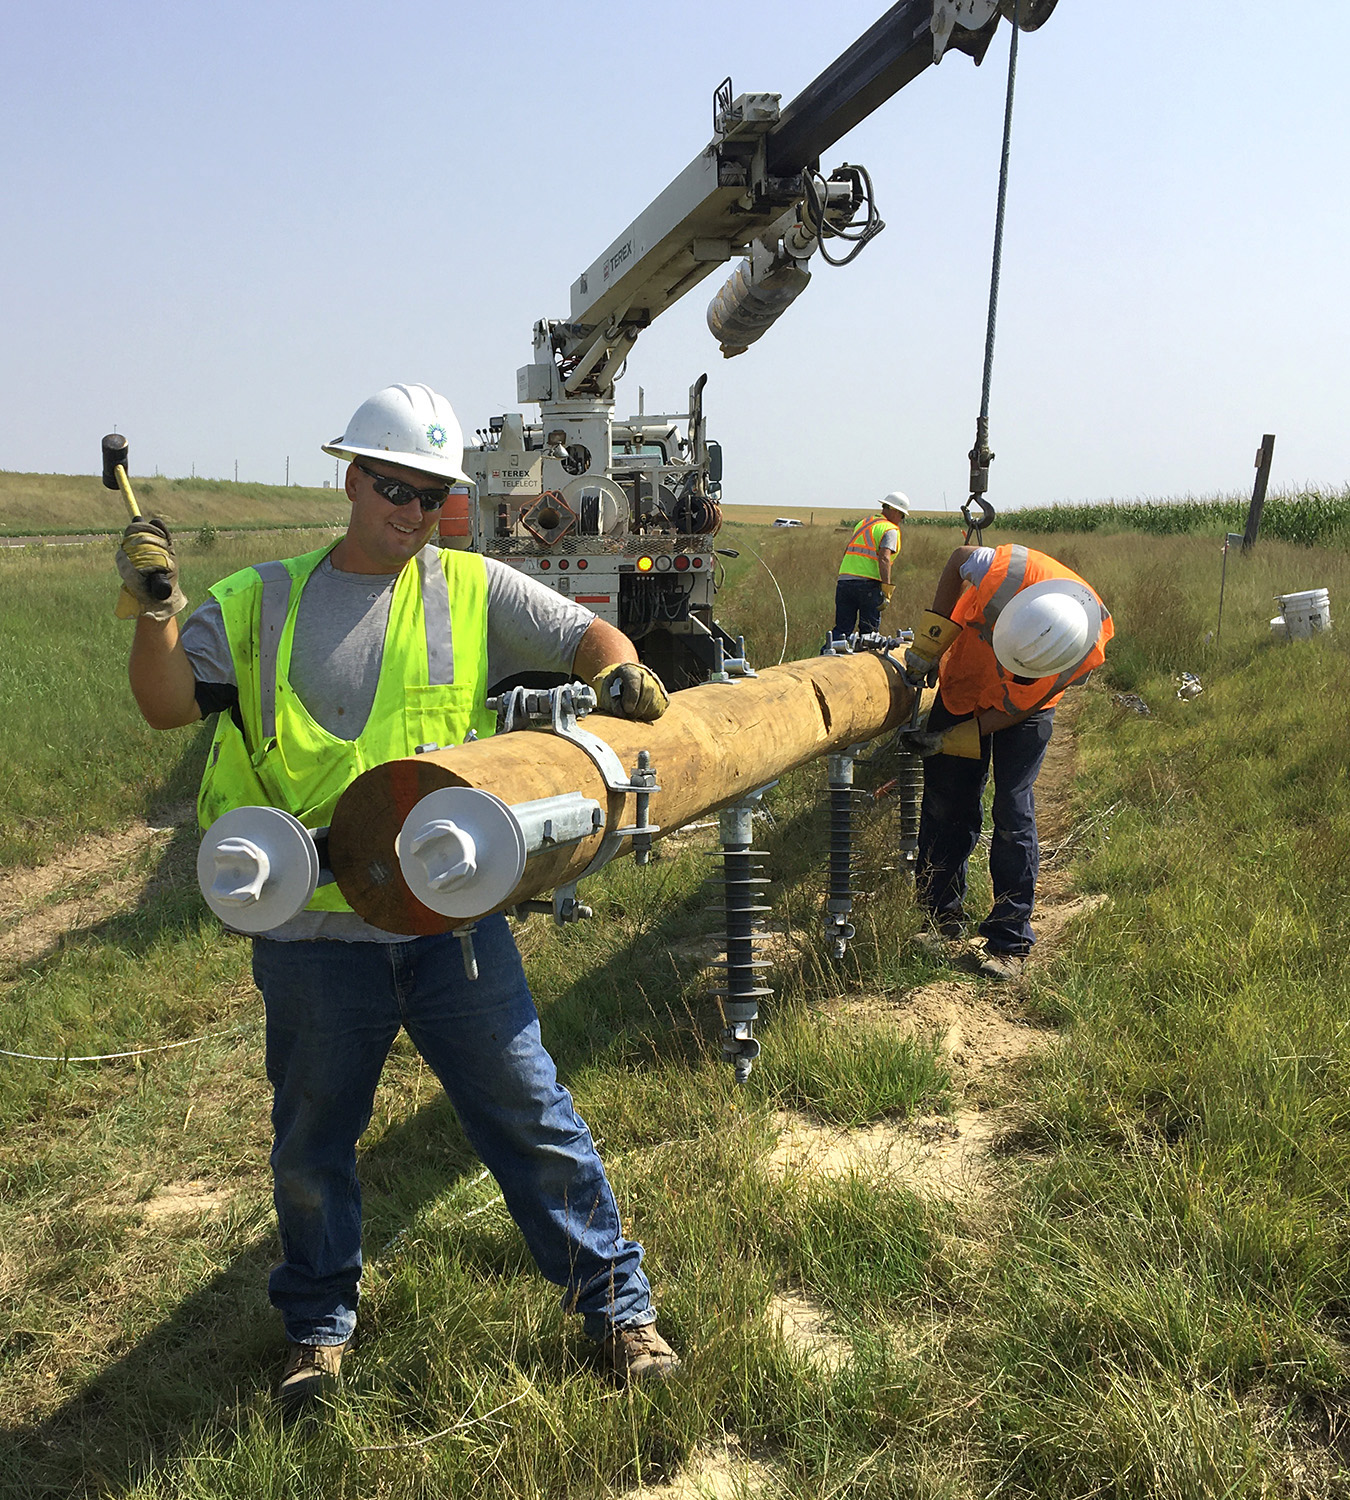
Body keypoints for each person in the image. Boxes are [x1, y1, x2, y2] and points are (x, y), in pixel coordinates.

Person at [118, 382, 680, 1411]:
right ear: (351, 479)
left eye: (432, 495)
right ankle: (319, 1329)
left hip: (446, 921)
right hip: (313, 932)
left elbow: (585, 635)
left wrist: (621, 671)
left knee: (529, 1111)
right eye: (395, 488)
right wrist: (158, 612)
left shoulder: (467, 587)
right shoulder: (259, 599)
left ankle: (617, 1310)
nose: (414, 513)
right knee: (313, 1139)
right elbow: (165, 707)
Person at [897, 542, 1113, 981]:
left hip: (1022, 708)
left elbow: (1015, 710)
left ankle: (1009, 938)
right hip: (964, 680)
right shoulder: (1008, 573)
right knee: (946, 799)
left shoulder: (1077, 651)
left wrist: (950, 739)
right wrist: (929, 645)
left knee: (1012, 809)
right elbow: (957, 556)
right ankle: (940, 918)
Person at [831, 492, 908, 643]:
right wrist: (886, 588)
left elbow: (848, 550)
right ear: (895, 511)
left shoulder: (863, 523)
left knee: (841, 631)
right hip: (868, 585)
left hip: (844, 581)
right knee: (869, 635)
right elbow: (884, 558)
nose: (901, 520)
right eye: (902, 516)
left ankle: (825, 658)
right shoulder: (889, 529)